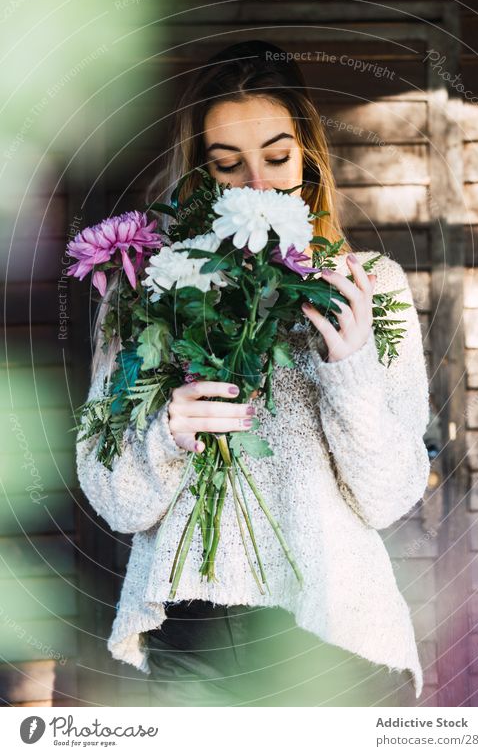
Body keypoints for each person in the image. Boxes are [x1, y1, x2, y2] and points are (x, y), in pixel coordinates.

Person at [76, 39, 431, 707]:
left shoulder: (371, 288)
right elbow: (117, 497)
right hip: (191, 637)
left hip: (338, 631)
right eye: (228, 166)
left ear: (310, 162)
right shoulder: (148, 291)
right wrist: (164, 432)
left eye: (277, 158)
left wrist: (348, 372)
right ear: (199, 178)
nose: (259, 188)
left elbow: (389, 496)